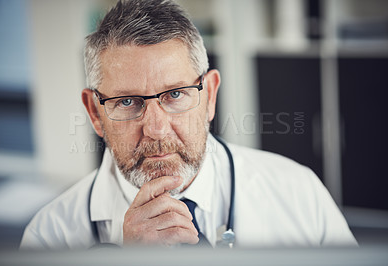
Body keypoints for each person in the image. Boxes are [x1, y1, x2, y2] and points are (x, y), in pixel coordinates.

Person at [20, 0, 357, 249]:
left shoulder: (299, 194)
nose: (156, 129)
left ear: (209, 95)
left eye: (176, 94)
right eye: (127, 101)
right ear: (95, 112)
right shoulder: (49, 237)